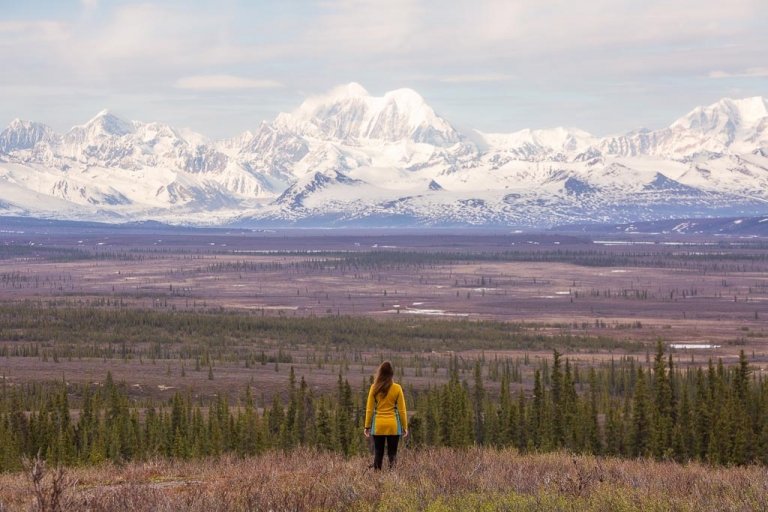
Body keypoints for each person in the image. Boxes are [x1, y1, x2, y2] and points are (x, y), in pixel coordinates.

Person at [364, 361, 408, 470]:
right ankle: (392, 478)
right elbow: (402, 410)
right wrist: (405, 426)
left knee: (378, 453)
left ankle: (376, 479)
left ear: (380, 373)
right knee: (392, 454)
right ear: (391, 373)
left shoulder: (374, 388)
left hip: (378, 425)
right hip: (393, 425)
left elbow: (369, 409)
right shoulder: (397, 388)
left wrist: (367, 426)